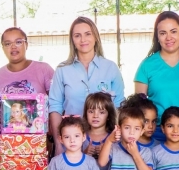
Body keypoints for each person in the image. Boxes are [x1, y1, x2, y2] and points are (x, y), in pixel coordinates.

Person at [49, 16, 125, 155]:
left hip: (106, 142)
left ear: (95, 36)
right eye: (77, 35)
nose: (83, 40)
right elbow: (55, 107)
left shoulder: (110, 68)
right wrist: (59, 144)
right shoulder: (62, 70)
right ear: (72, 40)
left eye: (87, 34)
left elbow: (119, 106)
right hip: (71, 143)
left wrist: (116, 141)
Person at [135, 11, 179, 145]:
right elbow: (138, 107)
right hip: (158, 132)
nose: (168, 37)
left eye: (173, 31)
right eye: (163, 33)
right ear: (157, 37)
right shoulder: (147, 65)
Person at [0, 26, 54, 101]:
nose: (13, 46)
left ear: (26, 45)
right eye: (7, 44)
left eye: (18, 42)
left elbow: (57, 103)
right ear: (3, 48)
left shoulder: (44, 69)